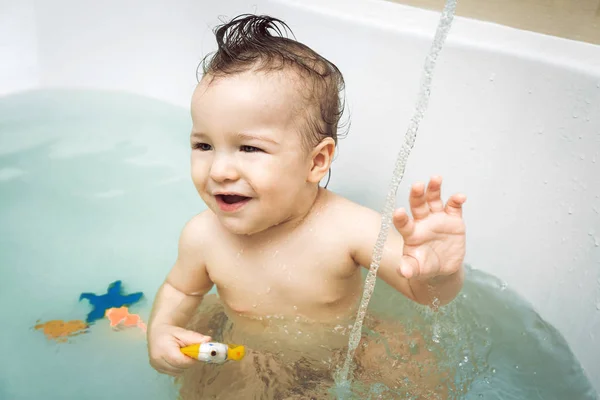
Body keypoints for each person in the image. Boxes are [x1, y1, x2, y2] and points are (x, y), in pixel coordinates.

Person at [147, 14, 467, 398]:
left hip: (349, 343)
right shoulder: (202, 236)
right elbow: (182, 292)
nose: (219, 169)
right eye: (203, 145)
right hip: (252, 351)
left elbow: (425, 295)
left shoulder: (348, 228)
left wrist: (438, 273)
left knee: (424, 378)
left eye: (249, 148)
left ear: (316, 161)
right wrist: (161, 331)